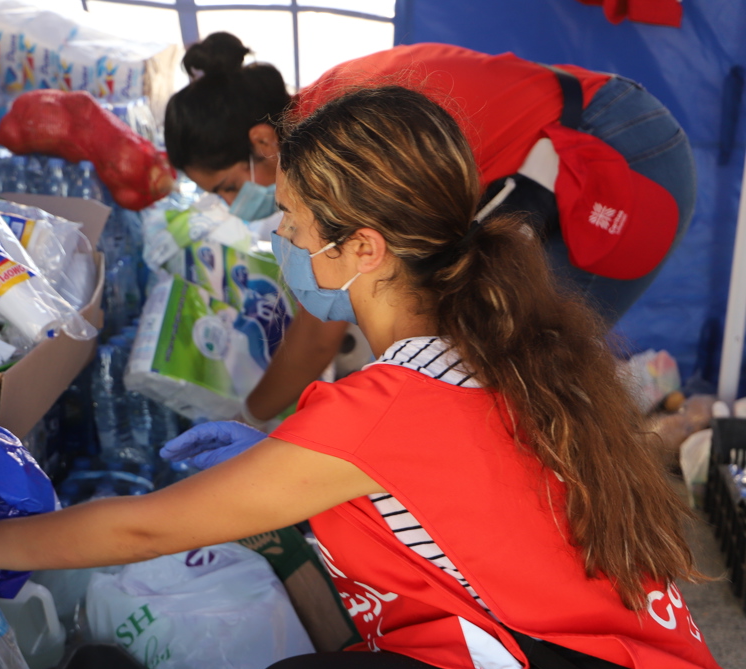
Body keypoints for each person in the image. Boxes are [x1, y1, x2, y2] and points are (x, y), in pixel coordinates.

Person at [0, 86, 737, 669]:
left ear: (363, 247)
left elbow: (139, 531)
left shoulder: (390, 406)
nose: (279, 237)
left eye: (290, 218)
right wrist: (278, 469)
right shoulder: (484, 350)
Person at [164, 35, 697, 426]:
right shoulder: (316, 116)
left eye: (229, 187)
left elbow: (320, 330)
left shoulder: (336, 139)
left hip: (618, 154)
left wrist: (249, 417)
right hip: (559, 148)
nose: (237, 207)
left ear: (261, 142)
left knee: (532, 364)